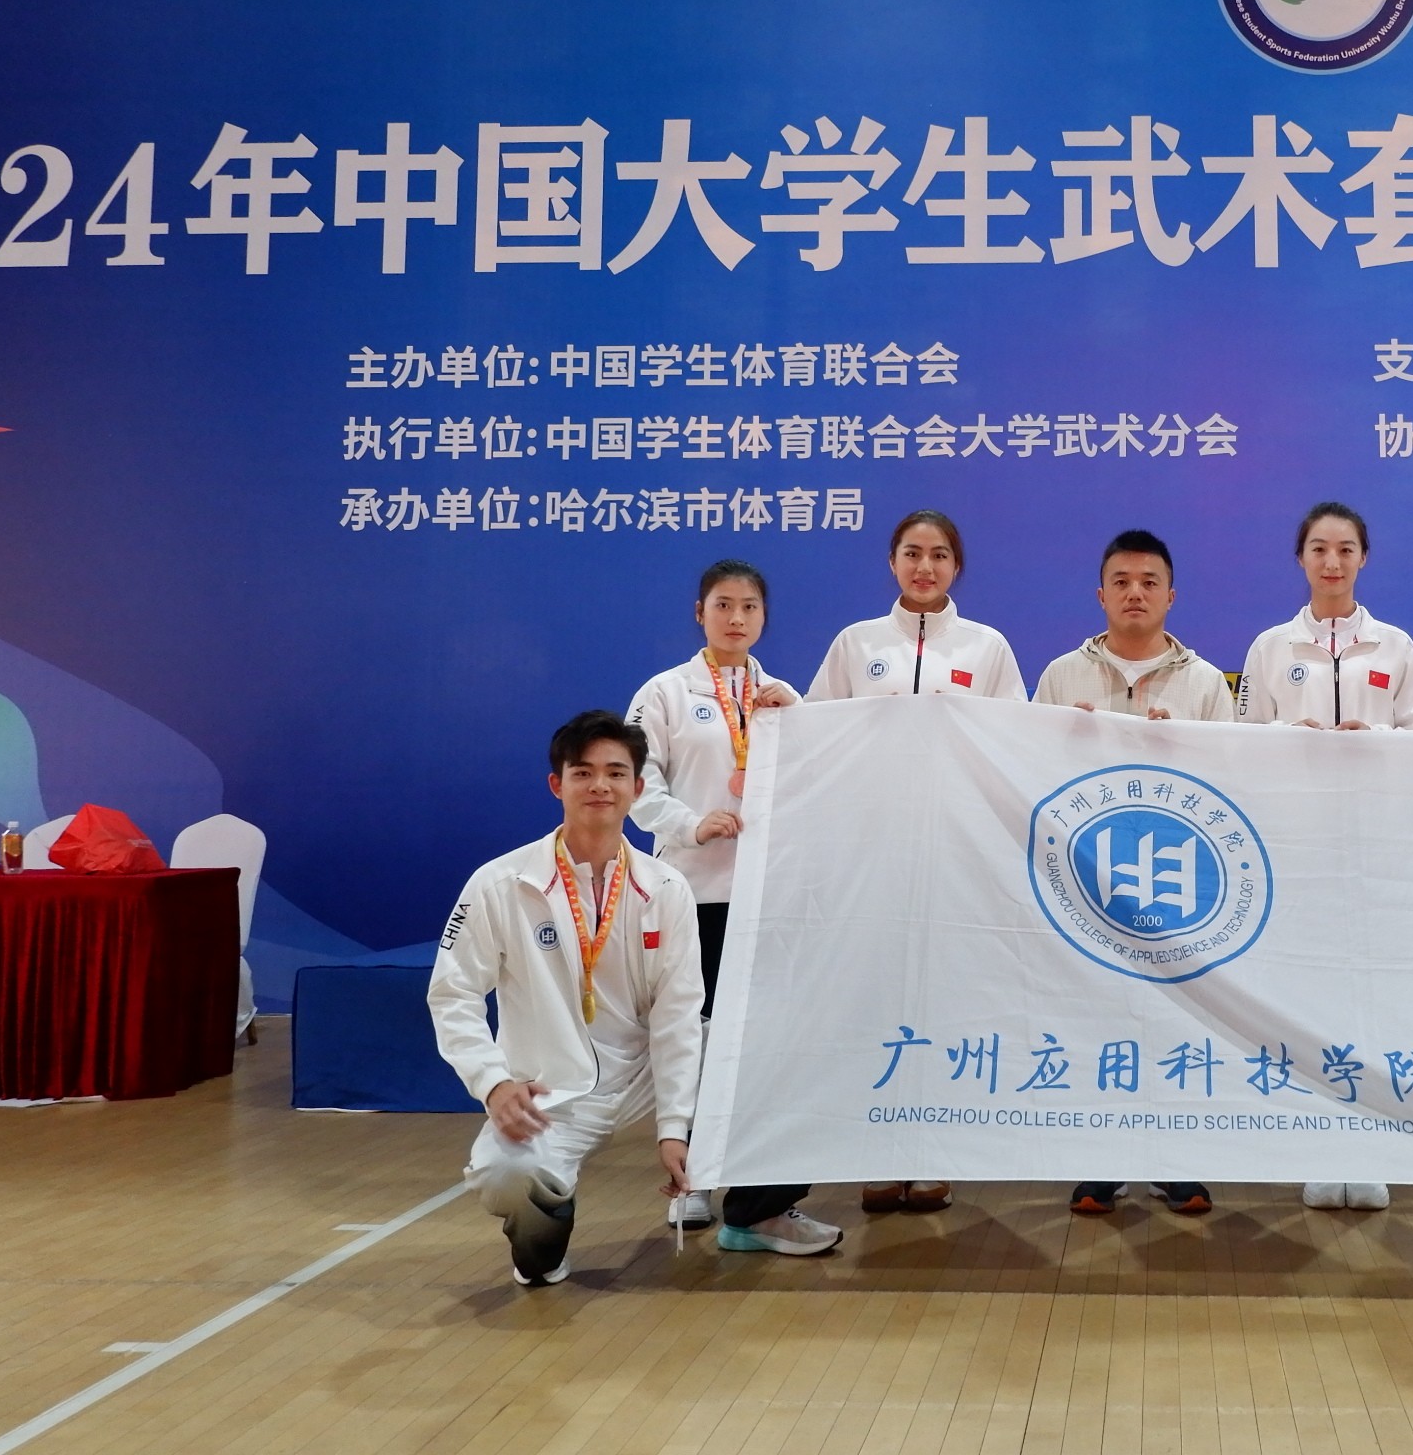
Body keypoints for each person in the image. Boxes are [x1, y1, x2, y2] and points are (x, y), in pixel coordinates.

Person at [429, 711, 841, 1288]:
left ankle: (757, 1213)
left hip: (645, 1070)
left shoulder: (667, 887)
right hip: (552, 1090)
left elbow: (677, 1012)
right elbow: (452, 993)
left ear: (637, 787)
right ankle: (545, 1237)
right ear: (557, 784)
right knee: (505, 1176)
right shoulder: (500, 884)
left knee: (778, 1056)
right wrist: (493, 1082)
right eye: (583, 773)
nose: (600, 785)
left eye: (615, 773)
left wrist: (675, 1126)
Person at [810, 508, 1025, 1214]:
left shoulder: (987, 647)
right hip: (870, 855)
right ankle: (878, 1149)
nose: (924, 566)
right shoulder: (856, 643)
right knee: (874, 998)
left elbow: (1015, 743)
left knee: (944, 1000)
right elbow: (816, 735)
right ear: (892, 562)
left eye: (938, 554)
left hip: (956, 854)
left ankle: (932, 1150)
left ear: (957, 565)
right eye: (911, 553)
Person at [1237, 500, 1413, 1213]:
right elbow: (1241, 745)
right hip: (1297, 850)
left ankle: (1370, 1150)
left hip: (1374, 848)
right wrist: (1294, 741)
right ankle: (1319, 1146)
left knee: (1371, 998)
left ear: (1363, 558)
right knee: (1307, 1001)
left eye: (1346, 549)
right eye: (1319, 548)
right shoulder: (1271, 648)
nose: (1332, 561)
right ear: (1301, 558)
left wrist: (1372, 742)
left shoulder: (1396, 647)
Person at [1033, 528, 1232, 1217]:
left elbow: (1232, 782)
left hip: (1175, 881)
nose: (1135, 593)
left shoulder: (1206, 683)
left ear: (1171, 596)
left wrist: (1182, 748)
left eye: (1150, 582)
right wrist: (1067, 743)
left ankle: (1176, 1160)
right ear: (1101, 595)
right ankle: (1099, 1161)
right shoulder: (1061, 677)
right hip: (1084, 880)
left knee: (1175, 1018)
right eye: (1121, 581)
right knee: (1093, 1015)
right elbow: (1026, 773)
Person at [626, 558, 817, 1243]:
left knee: (760, 1041)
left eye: (750, 607)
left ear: (764, 617)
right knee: (695, 1038)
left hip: (767, 895)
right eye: (723, 605)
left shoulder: (783, 696)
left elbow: (818, 780)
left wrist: (796, 725)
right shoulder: (666, 693)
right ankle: (693, 1179)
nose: (737, 618)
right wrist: (690, 824)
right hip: (692, 892)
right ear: (699, 612)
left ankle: (752, 1183)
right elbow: (638, 782)